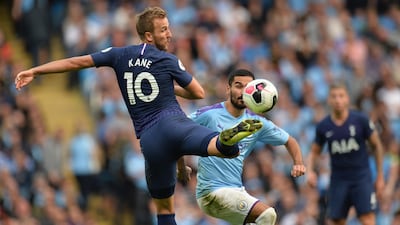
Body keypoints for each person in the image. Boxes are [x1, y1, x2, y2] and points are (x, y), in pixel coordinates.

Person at [14, 7, 263, 225]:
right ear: (148, 35)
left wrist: (35, 70)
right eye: (164, 30)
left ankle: (222, 144)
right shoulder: (167, 60)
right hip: (175, 125)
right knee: (222, 147)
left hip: (151, 142)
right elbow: (197, 92)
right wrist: (166, 84)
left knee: (165, 209)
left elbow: (75, 63)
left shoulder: (118, 54)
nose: (170, 34)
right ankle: (223, 142)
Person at [188, 69, 307, 225]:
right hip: (212, 191)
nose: (243, 91)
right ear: (228, 89)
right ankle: (225, 140)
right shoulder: (210, 114)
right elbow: (177, 131)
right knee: (267, 215)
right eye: (238, 86)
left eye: (248, 87)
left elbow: (290, 140)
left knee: (256, 221)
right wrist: (179, 165)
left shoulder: (256, 123)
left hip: (236, 191)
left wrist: (298, 162)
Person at [306, 82, 385, 225]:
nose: (338, 100)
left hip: (361, 178)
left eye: (341, 96)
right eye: (334, 96)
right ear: (329, 100)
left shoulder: (360, 120)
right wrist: (310, 171)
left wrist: (379, 176)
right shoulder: (324, 126)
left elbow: (377, 146)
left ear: (347, 98)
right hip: (338, 180)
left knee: (367, 219)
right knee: (336, 221)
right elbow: (314, 152)